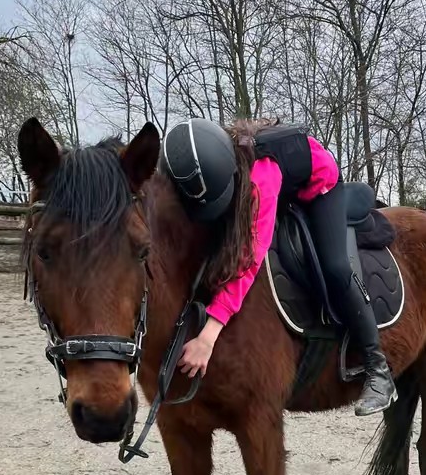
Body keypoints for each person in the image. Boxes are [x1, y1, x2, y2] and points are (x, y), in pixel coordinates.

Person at [161, 117, 396, 417]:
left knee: (336, 268)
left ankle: (378, 369)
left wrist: (208, 336)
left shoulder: (261, 179)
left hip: (320, 186)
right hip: (286, 182)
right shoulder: (214, 162)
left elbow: (250, 259)